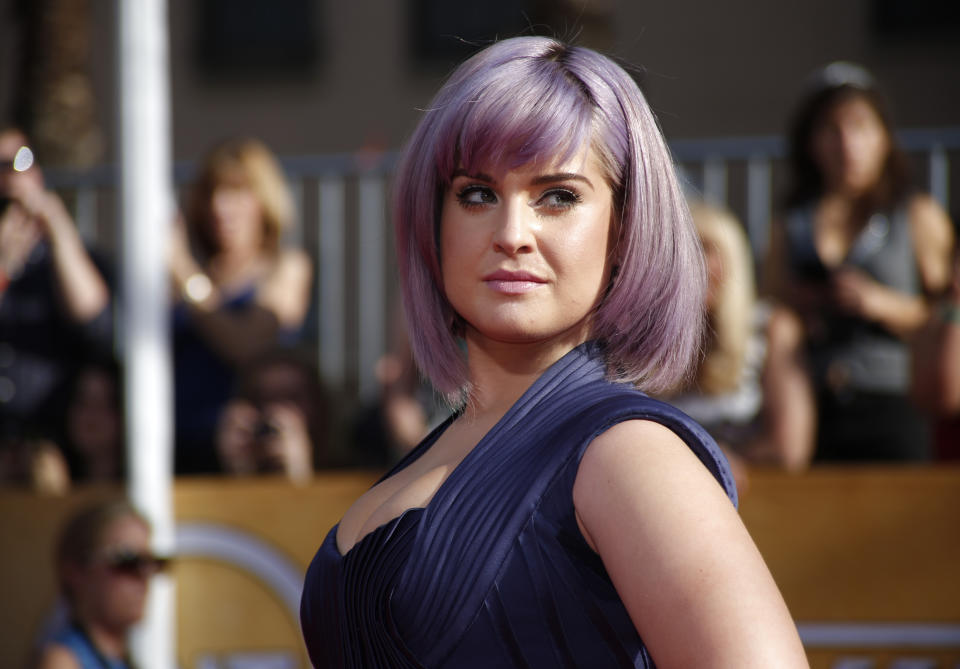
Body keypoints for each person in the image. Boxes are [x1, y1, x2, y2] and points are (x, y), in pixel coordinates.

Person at [300, 37, 807, 667]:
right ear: (433, 223)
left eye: (558, 196)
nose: (512, 235)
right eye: (477, 194)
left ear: (624, 229)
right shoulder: (452, 443)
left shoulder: (628, 454)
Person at [766, 62, 954, 461]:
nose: (847, 144)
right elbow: (770, 311)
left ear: (885, 138)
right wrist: (805, 305)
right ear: (810, 142)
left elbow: (946, 315)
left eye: (861, 127)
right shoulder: (791, 224)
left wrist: (879, 302)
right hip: (813, 405)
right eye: (832, 130)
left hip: (895, 401)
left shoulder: (917, 214)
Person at [169, 137, 312, 474]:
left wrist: (184, 274)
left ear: (264, 200)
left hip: (245, 455)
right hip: (176, 450)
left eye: (236, 193)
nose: (220, 207)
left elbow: (247, 347)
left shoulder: (287, 267)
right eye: (212, 194)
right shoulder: (189, 274)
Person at [668, 201, 815, 481]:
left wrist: (715, 459)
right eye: (678, 250)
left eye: (703, 248)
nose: (690, 263)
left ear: (732, 260)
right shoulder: (641, 340)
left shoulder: (770, 329)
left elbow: (789, 450)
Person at [0, 126, 113, 455]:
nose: (9, 176)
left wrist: (59, 231)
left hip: (56, 444)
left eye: (21, 161)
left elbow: (97, 324)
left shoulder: (73, 256)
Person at [33, 499, 168, 669]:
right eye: (127, 562)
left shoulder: (119, 657)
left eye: (152, 563)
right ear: (76, 571)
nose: (143, 578)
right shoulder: (64, 661)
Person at [215, 347, 327, 483]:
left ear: (318, 404)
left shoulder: (351, 472)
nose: (275, 412)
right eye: (261, 398)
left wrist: (299, 473)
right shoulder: (198, 470)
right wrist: (239, 473)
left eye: (292, 397)